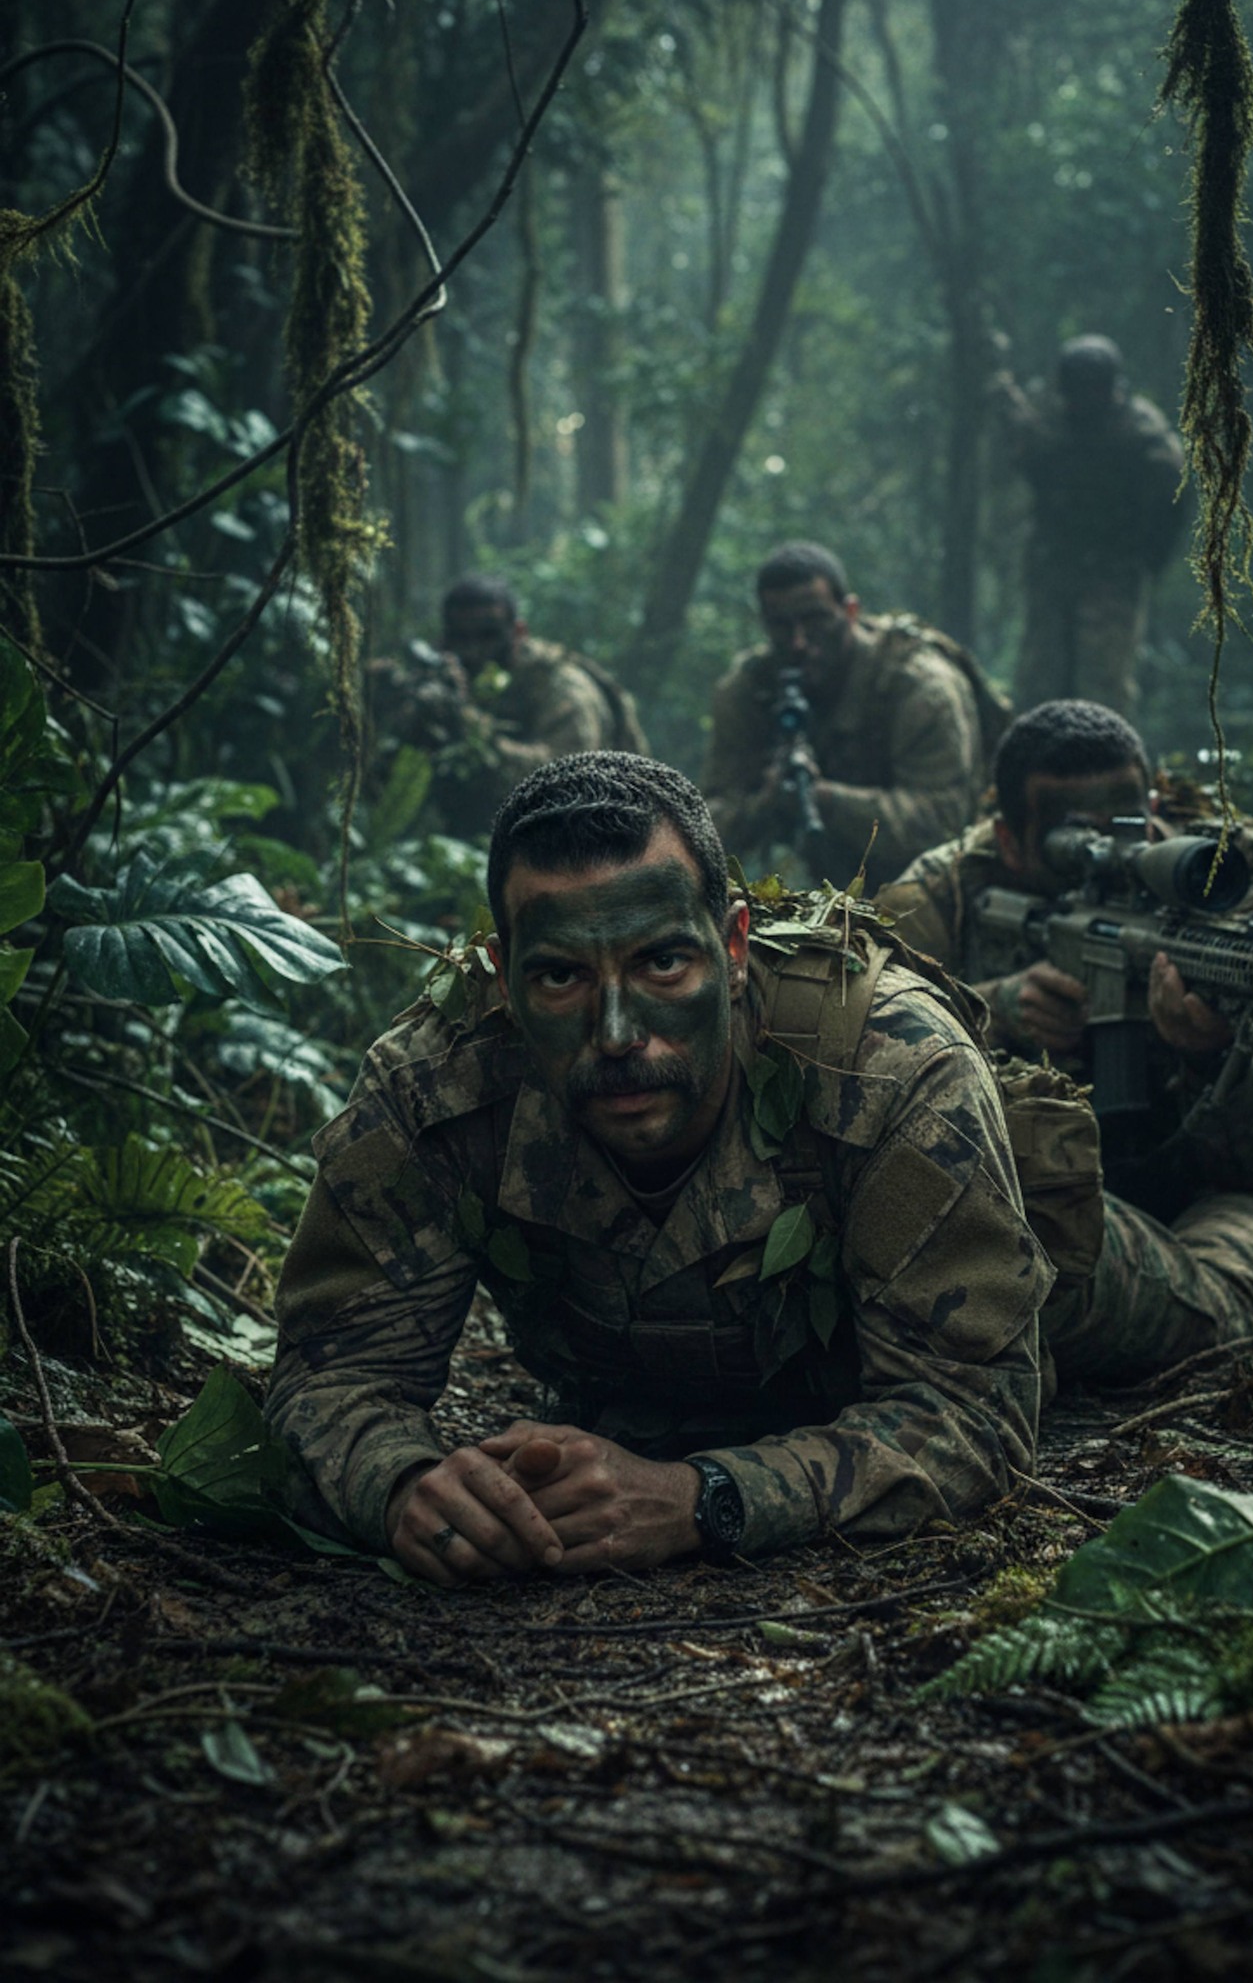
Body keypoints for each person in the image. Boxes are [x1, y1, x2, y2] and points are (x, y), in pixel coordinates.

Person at [265, 753, 1055, 1582]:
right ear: (503, 980)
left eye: (661, 964)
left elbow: (975, 1413)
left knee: (1195, 1294)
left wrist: (703, 1499)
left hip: (1026, 1258)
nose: (615, 1034)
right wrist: (404, 1487)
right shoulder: (434, 1088)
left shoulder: (889, 1067)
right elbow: (326, 1383)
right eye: (562, 976)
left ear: (734, 947)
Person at [876, 699, 1253, 1371]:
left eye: (1124, 825)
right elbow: (865, 1061)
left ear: (1151, 805)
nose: (1105, 855)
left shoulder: (1219, 887)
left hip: (1224, 1155)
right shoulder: (938, 895)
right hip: (1057, 1179)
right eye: (1071, 840)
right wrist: (992, 1011)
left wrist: (1211, 1052)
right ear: (1007, 839)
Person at [701, 541, 1000, 893]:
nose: (798, 642)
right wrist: (764, 804)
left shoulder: (920, 687)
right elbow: (707, 827)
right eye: (781, 625)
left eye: (815, 620)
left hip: (927, 898)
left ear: (851, 611)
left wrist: (826, 799)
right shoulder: (748, 691)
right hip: (816, 889)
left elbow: (943, 825)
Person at [371, 577, 648, 838]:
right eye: (460, 637)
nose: (473, 650)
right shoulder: (450, 679)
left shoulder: (562, 687)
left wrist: (466, 723)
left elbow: (566, 783)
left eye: (488, 635)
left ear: (518, 632)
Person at [996, 336, 1185, 718]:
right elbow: (1029, 452)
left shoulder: (1139, 433)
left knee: (1103, 686)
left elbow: (1171, 497)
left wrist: (1147, 558)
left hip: (1112, 573)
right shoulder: (1052, 418)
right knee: (1040, 681)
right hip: (1054, 566)